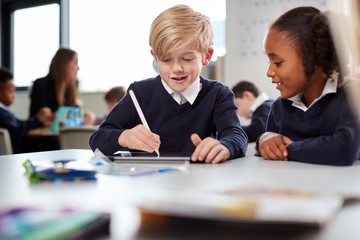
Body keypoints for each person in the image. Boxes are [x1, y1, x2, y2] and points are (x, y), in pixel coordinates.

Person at [90, 5, 248, 164]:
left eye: (187, 59)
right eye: (166, 60)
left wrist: (225, 146)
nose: (177, 69)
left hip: (199, 182)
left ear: (207, 56)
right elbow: (97, 139)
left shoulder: (218, 94)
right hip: (148, 183)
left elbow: (236, 135)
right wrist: (124, 137)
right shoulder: (139, 93)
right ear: (155, 58)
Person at [258, 6, 360, 166]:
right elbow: (267, 154)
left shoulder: (352, 96)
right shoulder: (279, 107)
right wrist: (265, 140)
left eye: (277, 62)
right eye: (269, 62)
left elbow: (345, 148)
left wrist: (288, 149)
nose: (269, 72)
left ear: (315, 60)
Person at [29, 47, 95, 125]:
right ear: (64, 64)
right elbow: (43, 118)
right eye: (75, 63)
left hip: (65, 135)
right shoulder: (41, 84)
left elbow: (70, 117)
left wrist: (85, 117)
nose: (78, 68)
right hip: (44, 134)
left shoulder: (71, 88)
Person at [0, 67, 54, 153]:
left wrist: (40, 122)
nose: (13, 96)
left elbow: (20, 123)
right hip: (16, 155)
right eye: (10, 91)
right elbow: (16, 131)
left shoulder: (4, 112)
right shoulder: (1, 114)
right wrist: (37, 118)